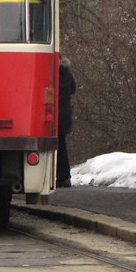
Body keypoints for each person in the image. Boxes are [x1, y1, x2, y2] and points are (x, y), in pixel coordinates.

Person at [56, 57, 76, 188]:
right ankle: (65, 177)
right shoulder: (66, 73)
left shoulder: (50, 72)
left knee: (53, 147)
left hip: (53, 115)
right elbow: (73, 89)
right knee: (61, 146)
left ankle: (56, 176)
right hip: (64, 114)